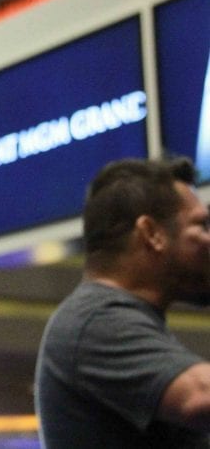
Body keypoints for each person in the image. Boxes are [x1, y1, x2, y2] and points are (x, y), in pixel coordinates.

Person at [35, 157, 210, 447]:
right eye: (202, 225)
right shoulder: (96, 320)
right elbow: (200, 395)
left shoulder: (119, 318)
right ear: (151, 234)